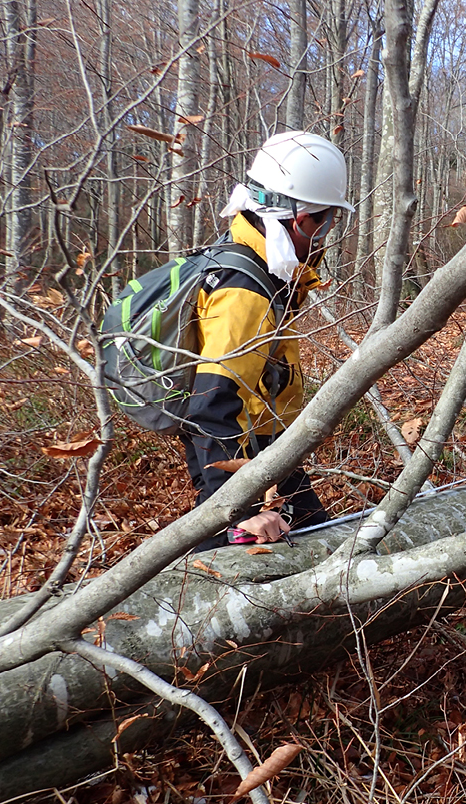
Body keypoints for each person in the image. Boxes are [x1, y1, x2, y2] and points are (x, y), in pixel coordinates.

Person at [180, 131, 354, 550]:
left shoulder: (264, 265)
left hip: (268, 446)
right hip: (241, 452)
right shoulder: (246, 288)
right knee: (237, 558)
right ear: (300, 218)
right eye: (326, 218)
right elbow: (212, 403)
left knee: (317, 538)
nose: (327, 231)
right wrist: (241, 510)